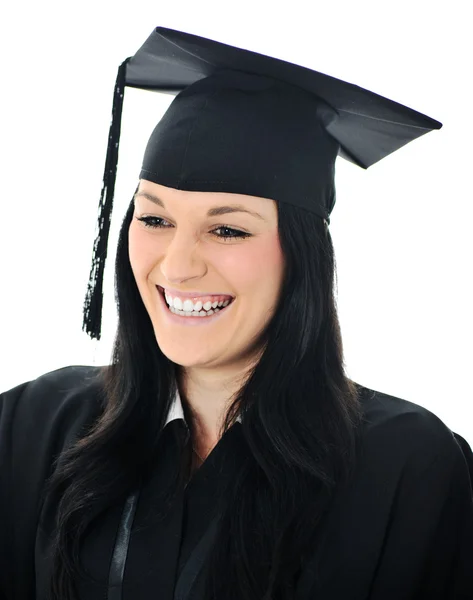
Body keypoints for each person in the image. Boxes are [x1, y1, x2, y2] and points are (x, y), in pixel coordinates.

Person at [1, 26, 472, 600]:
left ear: (301, 256)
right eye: (154, 219)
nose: (176, 267)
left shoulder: (408, 468)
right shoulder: (31, 427)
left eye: (227, 229)